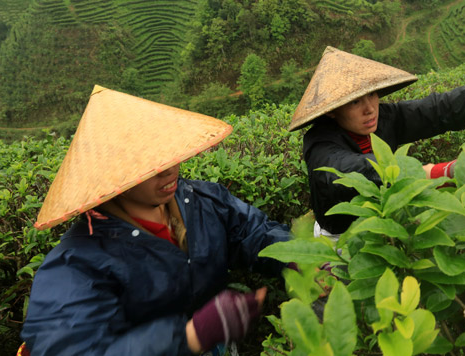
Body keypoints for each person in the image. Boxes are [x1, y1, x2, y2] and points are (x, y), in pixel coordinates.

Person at [19, 85, 290, 355]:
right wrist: (192, 336)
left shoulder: (201, 200)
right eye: (149, 164)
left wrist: (302, 258)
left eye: (167, 153)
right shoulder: (77, 262)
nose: (170, 168)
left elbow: (251, 231)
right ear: (113, 175)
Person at [288, 46, 465, 237]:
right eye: (355, 101)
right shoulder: (319, 142)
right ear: (332, 110)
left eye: (372, 94)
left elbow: (435, 110)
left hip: (388, 219)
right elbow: (348, 169)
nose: (369, 109)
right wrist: (425, 174)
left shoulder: (385, 118)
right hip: (342, 236)